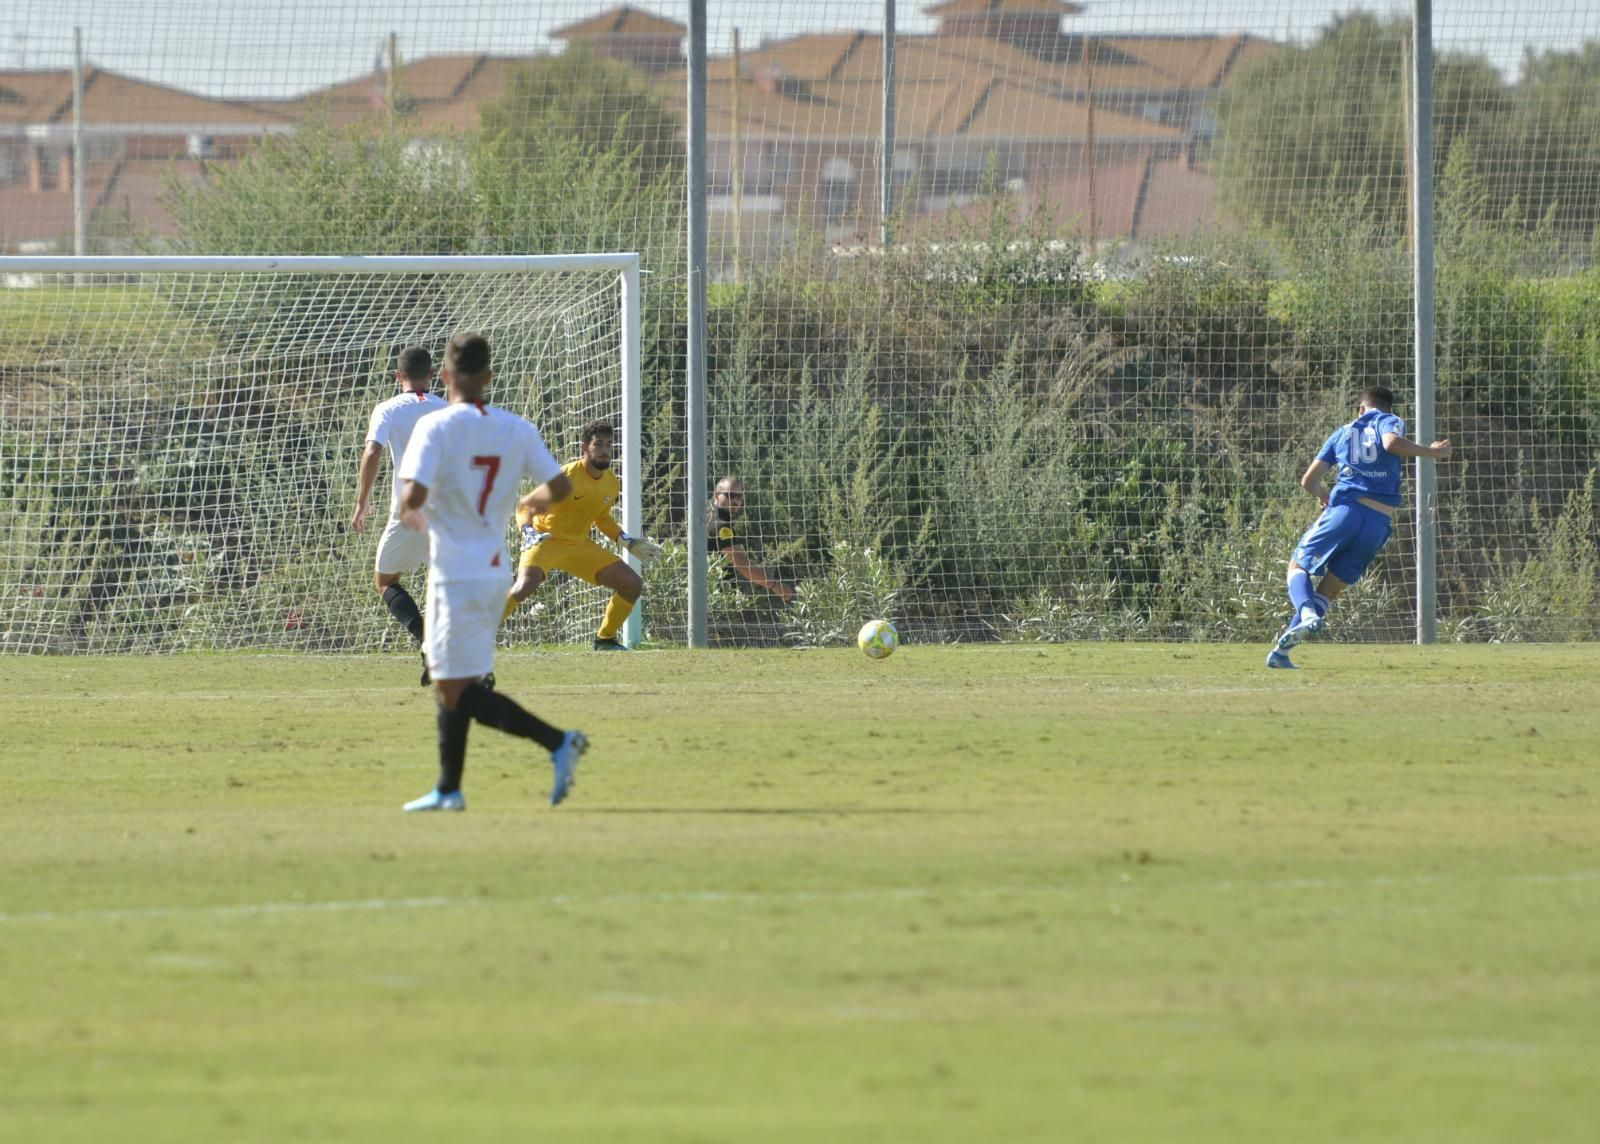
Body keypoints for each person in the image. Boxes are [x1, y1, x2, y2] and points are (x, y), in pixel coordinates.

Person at [394, 332, 589, 811]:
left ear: (445, 375)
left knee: (448, 682)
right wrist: (529, 500)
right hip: (495, 570)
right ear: (489, 377)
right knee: (459, 679)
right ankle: (449, 789)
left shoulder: (435, 427)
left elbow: (411, 497)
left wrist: (415, 510)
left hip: (455, 572)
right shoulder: (515, 428)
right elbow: (560, 487)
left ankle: (558, 741)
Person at [1267, 385, 1454, 669]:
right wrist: (1431, 452)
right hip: (1378, 522)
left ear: (1360, 409)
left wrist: (1324, 495)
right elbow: (1390, 444)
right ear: (1388, 407)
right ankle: (1282, 653)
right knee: (1331, 587)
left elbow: (1309, 481)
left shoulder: (1344, 432)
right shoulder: (1391, 419)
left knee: (1297, 565)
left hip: (1345, 511)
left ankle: (1305, 613)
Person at [503, 420, 665, 651]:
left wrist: (626, 541)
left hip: (578, 545)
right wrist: (527, 530)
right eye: (598, 444)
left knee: (632, 584)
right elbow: (525, 506)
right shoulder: (566, 476)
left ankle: (605, 640)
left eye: (609, 444)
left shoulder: (611, 483)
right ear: (585, 447)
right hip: (545, 540)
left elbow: (602, 518)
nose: (605, 450)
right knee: (524, 586)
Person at [350, 345, 448, 685]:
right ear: (432, 375)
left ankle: (429, 643)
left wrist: (363, 501)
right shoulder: (447, 409)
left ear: (398, 375)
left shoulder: (388, 408)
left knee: (386, 581)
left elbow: (372, 450)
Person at [707, 476, 794, 603]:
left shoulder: (706, 516)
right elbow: (741, 562)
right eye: (731, 495)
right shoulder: (721, 525)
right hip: (715, 598)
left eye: (739, 496)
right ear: (716, 495)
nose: (736, 501)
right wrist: (775, 586)